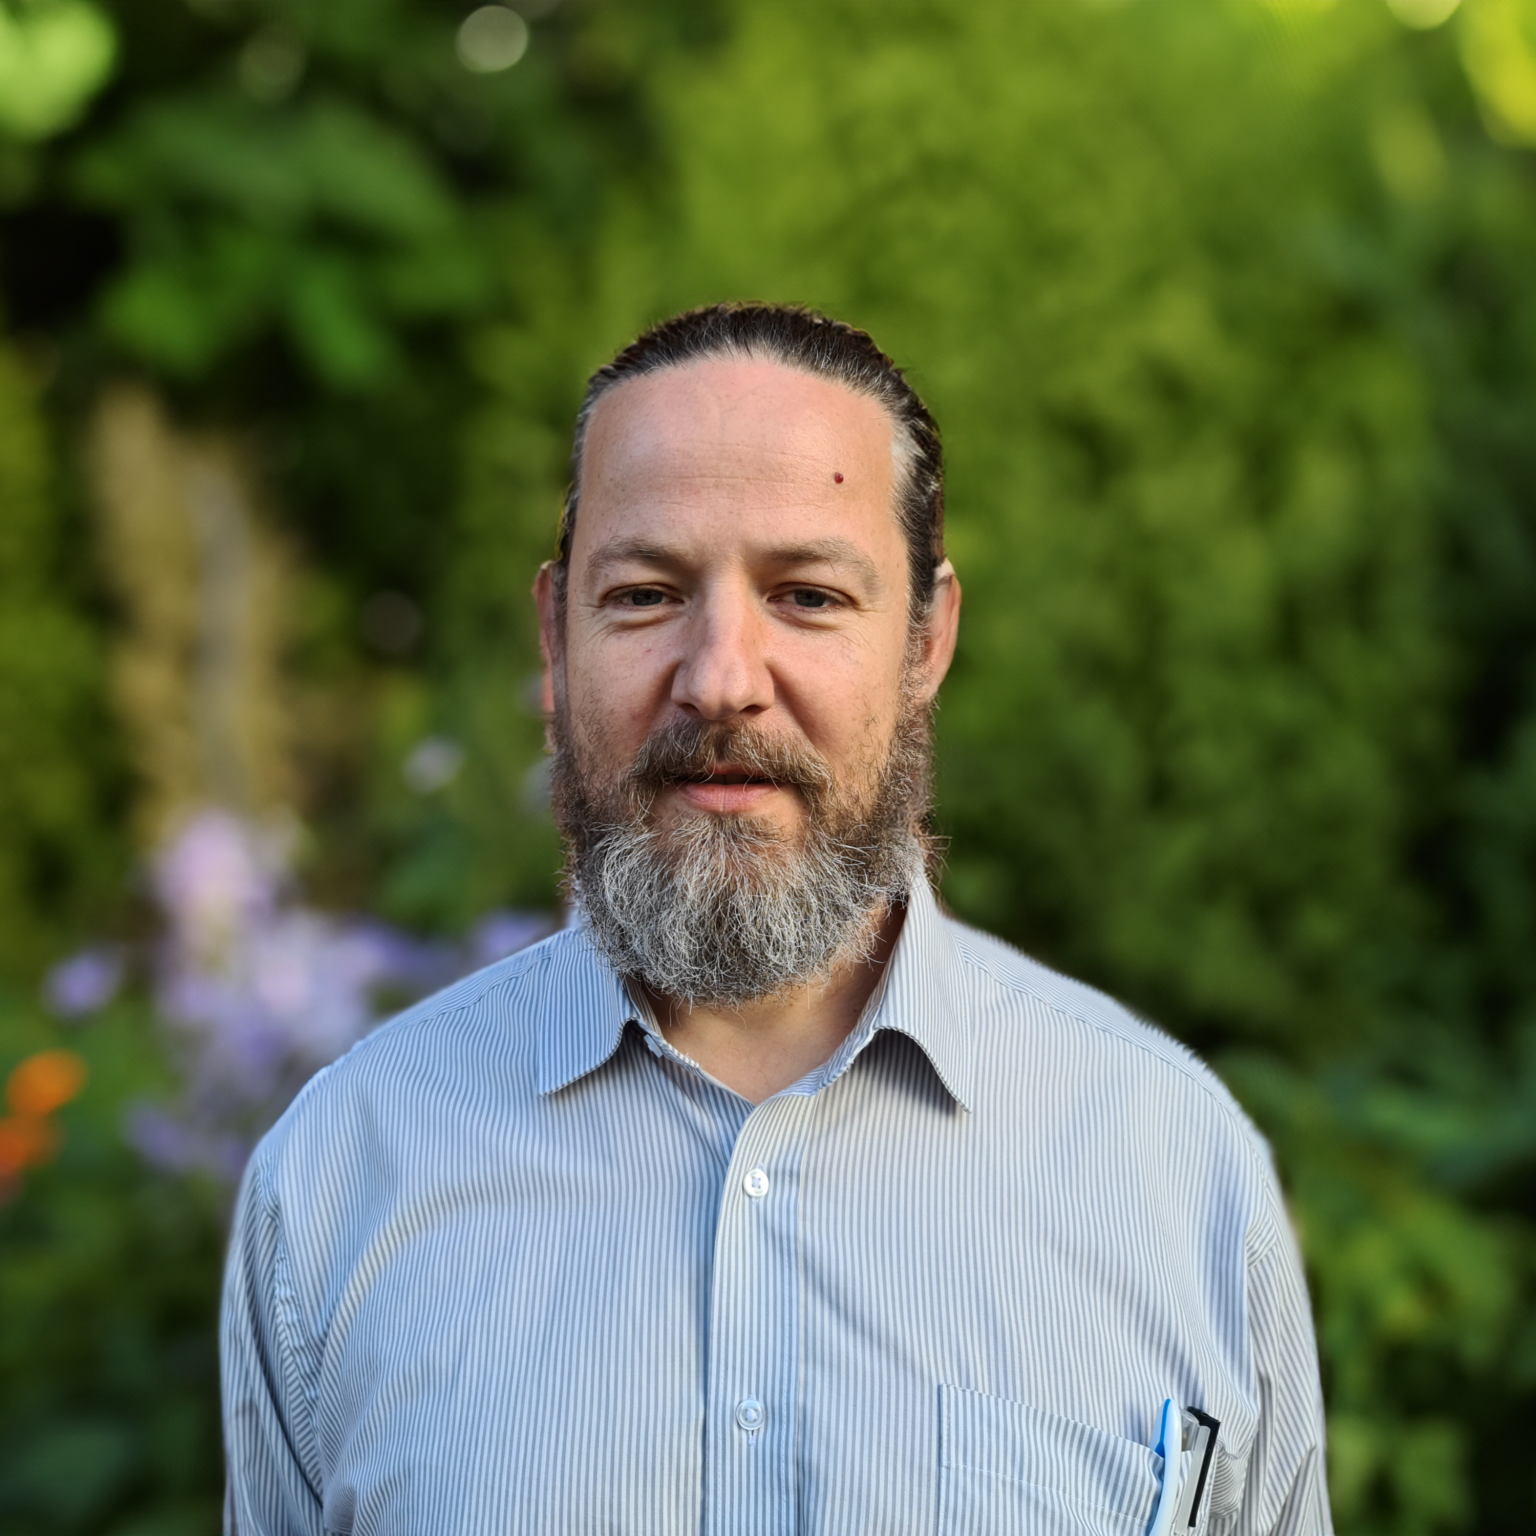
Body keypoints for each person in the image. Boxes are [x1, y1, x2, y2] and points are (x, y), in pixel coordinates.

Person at [221, 303, 1331, 1535]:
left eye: (806, 595)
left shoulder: (1176, 1173)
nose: (721, 679)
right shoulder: (339, 1182)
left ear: (927, 640)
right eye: (645, 595)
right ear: (554, 634)